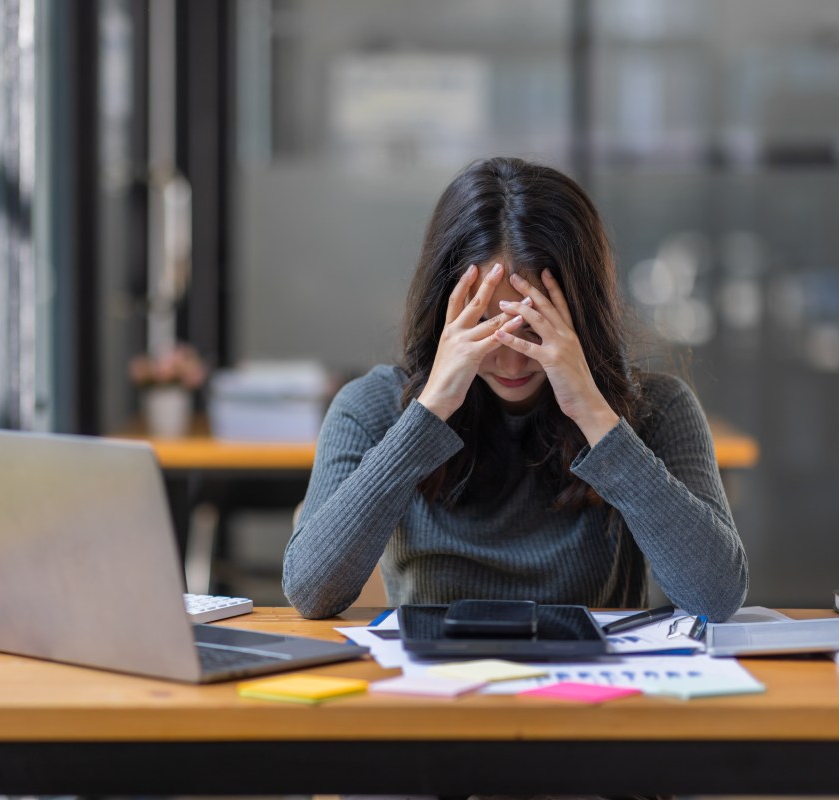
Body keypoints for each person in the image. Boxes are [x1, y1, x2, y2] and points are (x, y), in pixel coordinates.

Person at [282, 157, 748, 622]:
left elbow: (717, 597)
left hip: (592, 688)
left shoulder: (656, 408)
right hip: (438, 688)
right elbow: (310, 591)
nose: (511, 359)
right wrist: (429, 413)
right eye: (485, 328)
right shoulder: (375, 406)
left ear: (583, 318)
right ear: (444, 312)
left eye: (534, 329)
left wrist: (594, 414)